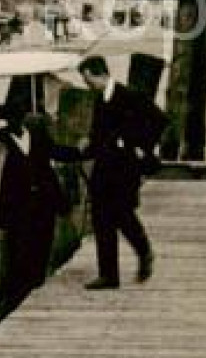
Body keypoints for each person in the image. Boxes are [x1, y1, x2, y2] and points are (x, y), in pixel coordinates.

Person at [53, 56, 164, 290]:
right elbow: (99, 134)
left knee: (122, 214)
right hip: (104, 169)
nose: (87, 84)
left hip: (124, 168)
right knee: (102, 218)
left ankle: (144, 250)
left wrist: (135, 144)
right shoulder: (100, 100)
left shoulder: (129, 96)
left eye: (87, 79)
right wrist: (86, 144)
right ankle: (109, 274)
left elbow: (159, 120)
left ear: (96, 73)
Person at [0, 84, 66, 313]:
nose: (14, 120)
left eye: (18, 114)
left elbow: (54, 155)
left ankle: (36, 290)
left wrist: (84, 150)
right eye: (10, 116)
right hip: (17, 209)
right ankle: (18, 300)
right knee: (19, 255)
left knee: (41, 248)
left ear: (23, 117)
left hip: (43, 205)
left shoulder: (37, 135)